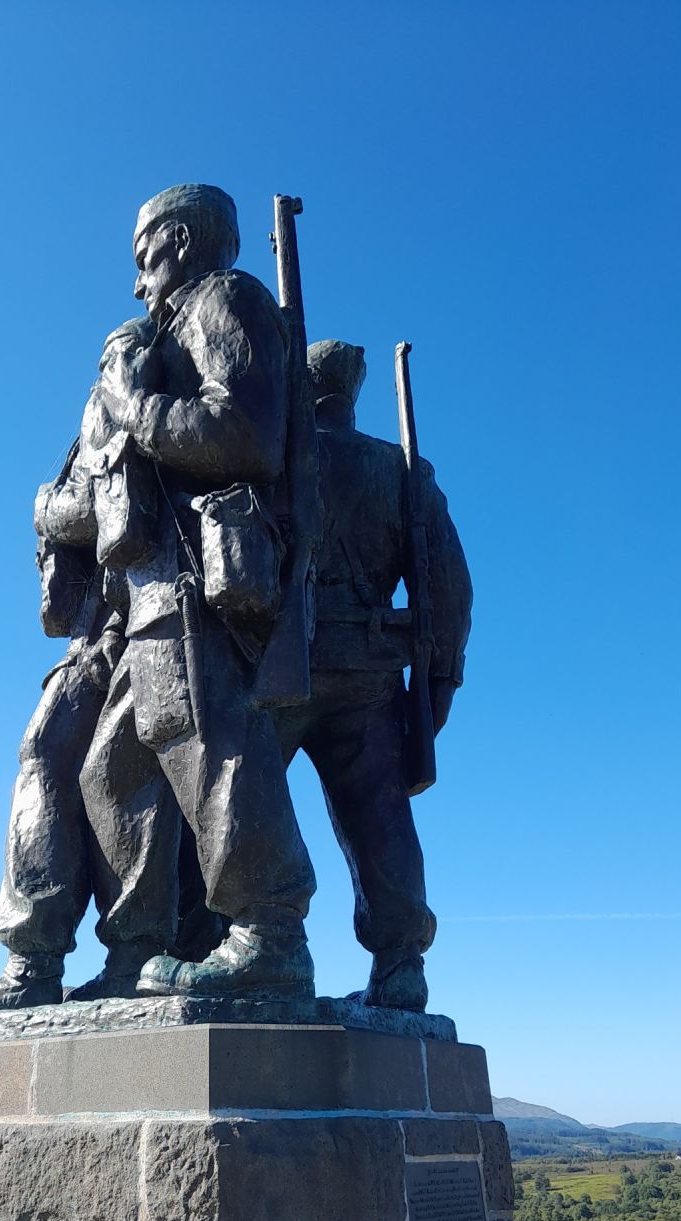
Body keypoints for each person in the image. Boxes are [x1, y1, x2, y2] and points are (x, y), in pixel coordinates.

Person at [80, 183, 317, 1000]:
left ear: (178, 239)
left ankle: (270, 933)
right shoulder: (169, 328)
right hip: (154, 589)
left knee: (213, 747)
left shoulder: (224, 299)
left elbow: (241, 433)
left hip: (197, 585)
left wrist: (131, 405)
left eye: (144, 259)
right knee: (112, 772)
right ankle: (133, 953)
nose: (140, 282)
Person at [0, 319, 182, 1027]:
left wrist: (46, 505)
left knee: (119, 772)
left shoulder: (151, 399)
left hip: (155, 616)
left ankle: (131, 955)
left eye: (114, 359)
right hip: (101, 632)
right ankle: (33, 963)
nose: (107, 370)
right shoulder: (101, 418)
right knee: (47, 752)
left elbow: (106, 506)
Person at [274, 339, 472, 1010]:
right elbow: (449, 591)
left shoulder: (275, 453)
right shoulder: (401, 470)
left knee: (238, 801)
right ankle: (400, 963)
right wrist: (438, 684)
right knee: (380, 818)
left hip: (281, 664)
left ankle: (249, 939)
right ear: (353, 393)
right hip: (371, 672)